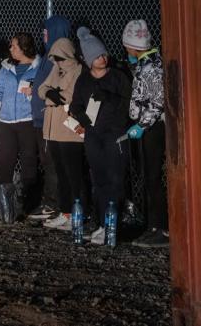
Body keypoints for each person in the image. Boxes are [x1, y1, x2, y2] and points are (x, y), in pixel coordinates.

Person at [69, 26, 132, 245]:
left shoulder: (118, 77)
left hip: (115, 134)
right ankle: (101, 223)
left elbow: (128, 106)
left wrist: (110, 97)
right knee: (98, 180)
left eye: (103, 54)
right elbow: (75, 104)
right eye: (96, 56)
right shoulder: (84, 80)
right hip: (93, 135)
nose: (102, 58)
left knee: (115, 179)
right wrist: (81, 118)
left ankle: (113, 224)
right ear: (88, 59)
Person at [122, 19, 168, 248]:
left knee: (152, 178)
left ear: (132, 45)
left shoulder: (150, 66)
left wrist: (143, 124)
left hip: (152, 127)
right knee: (149, 177)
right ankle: (152, 225)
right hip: (146, 125)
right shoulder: (145, 63)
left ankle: (159, 228)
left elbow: (157, 100)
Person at [0, 32, 42, 211]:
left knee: (29, 160)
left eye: (13, 46)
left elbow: (43, 91)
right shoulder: (6, 67)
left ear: (23, 48)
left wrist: (33, 94)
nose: (10, 48)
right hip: (6, 122)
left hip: (27, 120)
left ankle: (28, 201)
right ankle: (3, 200)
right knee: (5, 161)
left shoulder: (39, 67)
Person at [37, 37, 85, 230]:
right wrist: (51, 95)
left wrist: (52, 95)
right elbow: (41, 89)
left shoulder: (79, 70)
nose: (57, 62)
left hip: (69, 131)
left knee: (73, 174)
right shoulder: (56, 69)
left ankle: (78, 213)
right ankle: (65, 212)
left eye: (60, 58)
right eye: (54, 58)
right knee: (61, 173)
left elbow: (70, 97)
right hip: (54, 129)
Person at [27, 15, 70, 218]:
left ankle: (54, 204)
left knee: (52, 163)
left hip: (50, 119)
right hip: (39, 118)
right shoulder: (47, 55)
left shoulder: (58, 57)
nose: (43, 36)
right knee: (47, 162)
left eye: (46, 32)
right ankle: (50, 201)